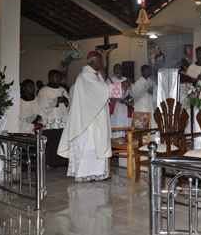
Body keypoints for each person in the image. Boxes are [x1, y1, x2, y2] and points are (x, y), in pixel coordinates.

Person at [57, 51, 130, 181]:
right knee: (87, 146)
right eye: (101, 60)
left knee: (97, 143)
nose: (103, 63)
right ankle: (85, 173)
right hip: (88, 119)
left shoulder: (95, 75)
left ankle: (98, 173)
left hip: (95, 115)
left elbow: (101, 90)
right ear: (94, 62)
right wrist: (120, 85)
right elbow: (100, 90)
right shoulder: (85, 75)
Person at [38, 70, 70, 167]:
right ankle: (52, 162)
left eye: (59, 77)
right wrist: (56, 101)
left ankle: (63, 161)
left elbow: (70, 102)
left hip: (63, 119)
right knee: (52, 142)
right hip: (51, 120)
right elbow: (42, 106)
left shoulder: (62, 89)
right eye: (56, 77)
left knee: (62, 140)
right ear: (50, 77)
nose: (59, 78)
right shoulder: (44, 90)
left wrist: (66, 100)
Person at [106, 64, 135, 138]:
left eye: (119, 69)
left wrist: (128, 98)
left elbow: (133, 92)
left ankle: (126, 145)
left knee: (126, 124)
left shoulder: (127, 80)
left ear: (122, 71)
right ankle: (116, 144)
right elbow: (108, 92)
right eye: (115, 69)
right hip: (115, 107)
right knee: (116, 125)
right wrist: (119, 99)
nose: (117, 70)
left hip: (126, 107)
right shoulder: (109, 81)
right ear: (113, 70)